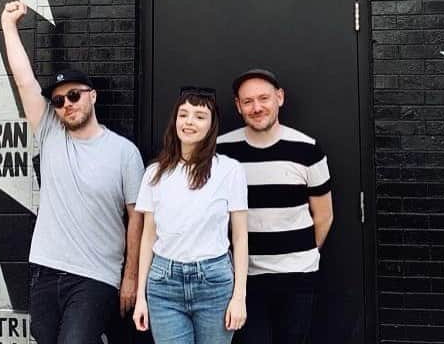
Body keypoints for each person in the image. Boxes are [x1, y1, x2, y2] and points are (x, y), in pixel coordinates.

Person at [0, 0, 145, 344]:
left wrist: (131, 277)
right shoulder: (51, 133)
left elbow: (137, 219)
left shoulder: (124, 152)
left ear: (92, 97)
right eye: (59, 101)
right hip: (46, 270)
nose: (66, 104)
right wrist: (8, 26)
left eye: (74, 96)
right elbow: (24, 81)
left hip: (96, 276)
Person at [216, 68, 333, 344]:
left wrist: (304, 254)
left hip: (297, 276)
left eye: (264, 98)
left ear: (279, 98)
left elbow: (324, 215)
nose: (257, 107)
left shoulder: (308, 149)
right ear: (238, 106)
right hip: (243, 279)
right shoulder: (221, 151)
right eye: (248, 101)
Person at [132, 87, 248, 344]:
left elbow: (240, 238)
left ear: (211, 124)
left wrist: (239, 297)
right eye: (183, 114)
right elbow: (148, 236)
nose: (189, 122)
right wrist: (141, 296)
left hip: (214, 281)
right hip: (164, 284)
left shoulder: (230, 171)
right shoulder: (155, 173)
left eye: (199, 116)